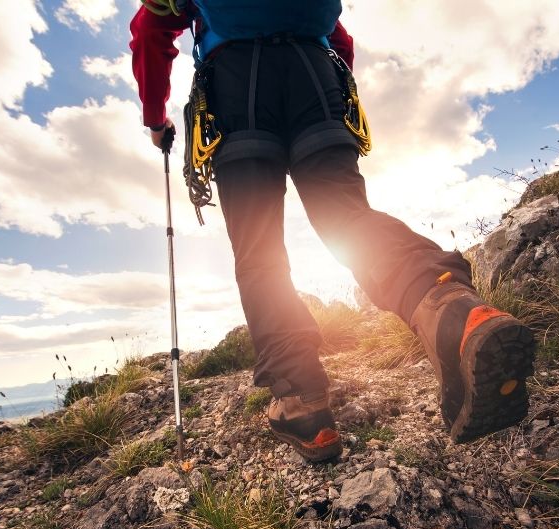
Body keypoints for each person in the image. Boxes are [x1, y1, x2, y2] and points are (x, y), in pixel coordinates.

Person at [129, 0, 535, 462]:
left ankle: (302, 402)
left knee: (258, 249)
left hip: (235, 85)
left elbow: (151, 28)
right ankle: (451, 309)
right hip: (315, 75)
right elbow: (339, 40)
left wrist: (154, 117)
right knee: (346, 216)